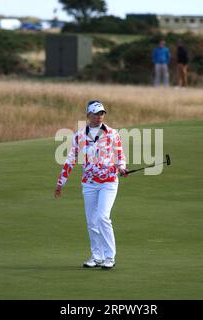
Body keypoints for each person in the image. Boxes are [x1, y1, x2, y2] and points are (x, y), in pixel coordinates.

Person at [54, 100, 128, 270]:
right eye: (96, 114)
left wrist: (122, 168)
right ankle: (97, 256)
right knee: (92, 222)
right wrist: (60, 183)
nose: (99, 117)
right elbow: (71, 159)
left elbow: (119, 156)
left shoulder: (112, 134)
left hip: (108, 182)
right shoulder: (79, 136)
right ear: (88, 115)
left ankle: (110, 257)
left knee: (103, 217)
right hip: (89, 184)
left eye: (102, 113)